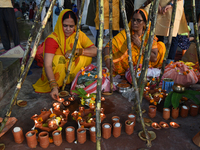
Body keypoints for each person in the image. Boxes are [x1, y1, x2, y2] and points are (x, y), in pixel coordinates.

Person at [33, 9, 97, 100]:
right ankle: (60, 83)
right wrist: (53, 86)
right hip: (56, 77)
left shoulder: (79, 35)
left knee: (85, 57)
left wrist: (76, 51)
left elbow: (95, 51)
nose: (68, 29)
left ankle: (73, 80)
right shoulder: (52, 39)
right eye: (65, 25)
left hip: (72, 72)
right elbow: (47, 65)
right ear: (60, 24)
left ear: (75, 26)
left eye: (71, 26)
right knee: (59, 60)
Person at [103, 9, 166, 76]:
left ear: (145, 23)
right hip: (127, 64)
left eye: (138, 20)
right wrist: (107, 59)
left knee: (161, 46)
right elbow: (108, 46)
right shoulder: (126, 33)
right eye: (133, 20)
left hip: (144, 64)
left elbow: (154, 58)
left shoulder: (149, 36)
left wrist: (140, 45)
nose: (135, 22)